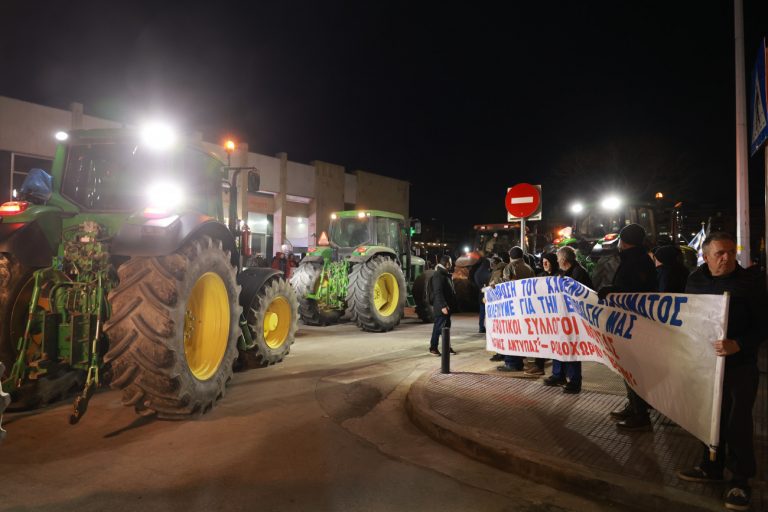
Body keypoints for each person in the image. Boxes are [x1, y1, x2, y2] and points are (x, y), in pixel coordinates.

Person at [676, 232, 765, 511]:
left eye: (730, 252)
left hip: (739, 366)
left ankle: (740, 480)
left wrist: (739, 344)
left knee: (736, 422)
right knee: (709, 417)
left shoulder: (751, 282)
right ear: (706, 256)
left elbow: (764, 324)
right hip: (705, 364)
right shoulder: (695, 280)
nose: (727, 257)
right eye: (719, 253)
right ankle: (711, 466)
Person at [598, 223, 657, 431]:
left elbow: (634, 292)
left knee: (633, 369)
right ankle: (633, 406)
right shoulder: (639, 259)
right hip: (628, 323)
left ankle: (640, 415)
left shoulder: (636, 262)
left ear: (623, 241)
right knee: (628, 368)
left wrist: (611, 291)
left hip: (634, 325)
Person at [542, 246, 592, 392]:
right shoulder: (568, 272)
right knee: (560, 345)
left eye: (558, 258)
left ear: (564, 259)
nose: (557, 261)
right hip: (563, 318)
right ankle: (559, 375)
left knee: (572, 347)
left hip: (573, 319)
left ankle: (574, 382)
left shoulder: (578, 273)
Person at [497, 246, 535, 372]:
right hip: (525, 306)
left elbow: (506, 286)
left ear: (510, 256)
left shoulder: (510, 267)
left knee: (510, 333)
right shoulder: (529, 268)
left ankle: (512, 363)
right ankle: (518, 359)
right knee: (520, 334)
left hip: (512, 307)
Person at [428, 254, 457, 356]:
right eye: (451, 262)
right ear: (447, 263)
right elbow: (438, 292)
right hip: (441, 307)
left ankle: (446, 348)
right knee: (438, 328)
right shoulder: (438, 274)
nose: (452, 264)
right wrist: (443, 306)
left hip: (446, 306)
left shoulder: (445, 273)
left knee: (446, 328)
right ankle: (433, 348)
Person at [473, 255, 492, 334]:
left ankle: (481, 327)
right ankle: (489, 327)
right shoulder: (487, 272)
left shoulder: (477, 272)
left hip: (480, 294)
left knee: (482, 312)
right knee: (488, 312)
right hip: (487, 294)